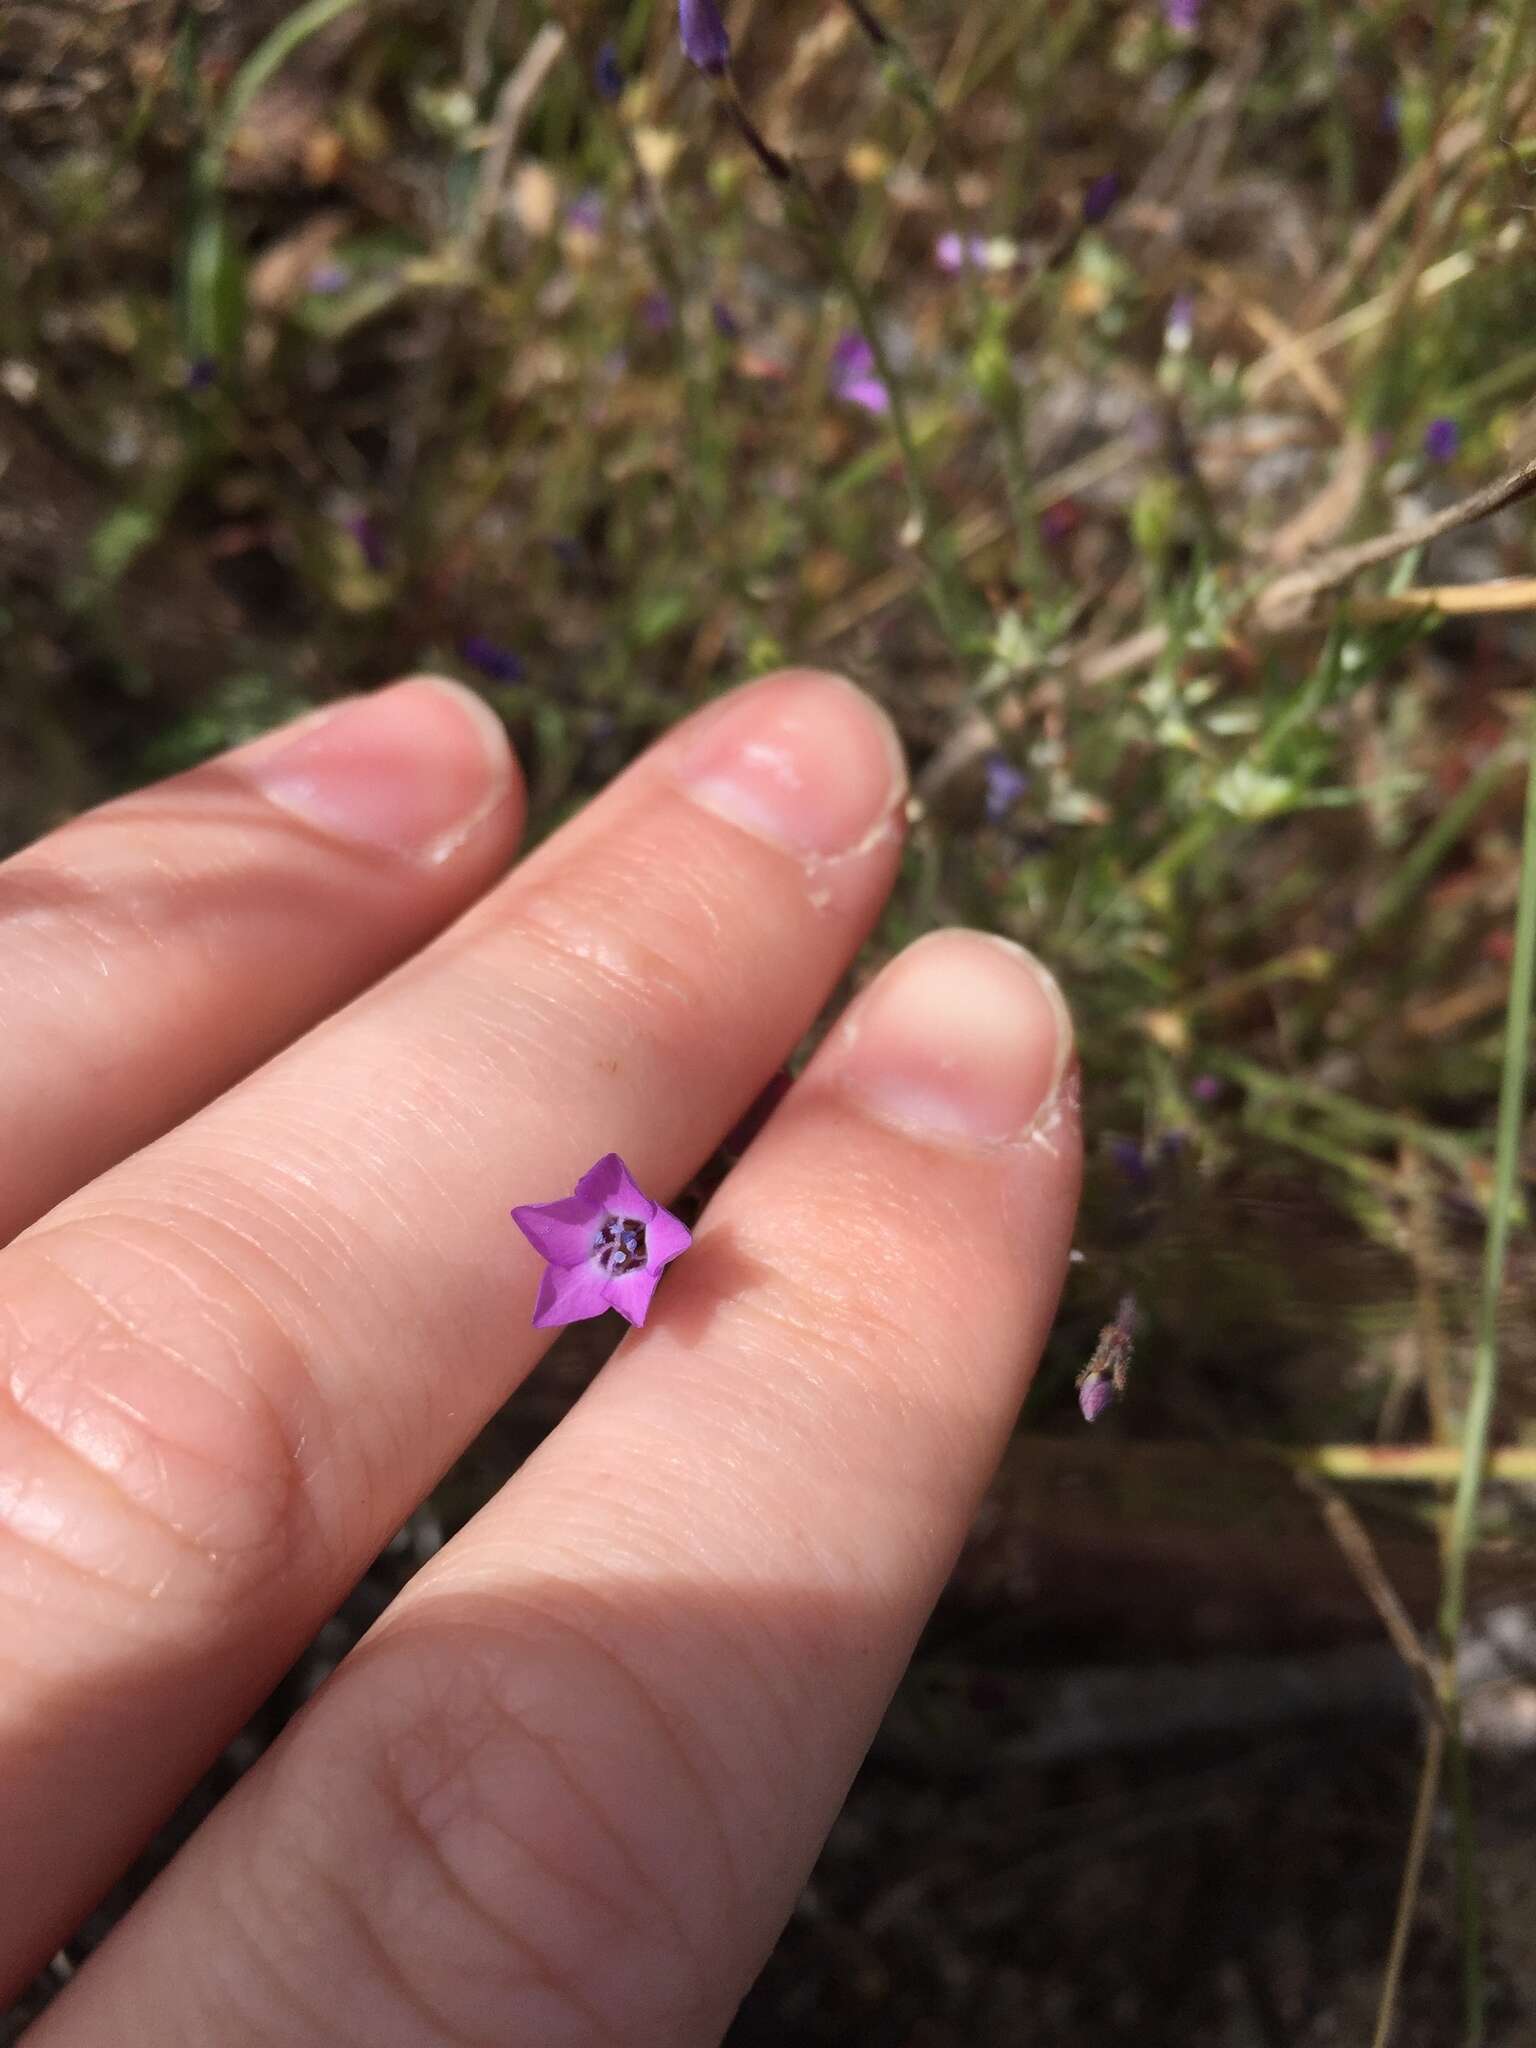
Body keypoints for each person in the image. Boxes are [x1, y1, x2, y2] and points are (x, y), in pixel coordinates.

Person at [0, 667, 1080, 2044]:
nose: (624, 1258)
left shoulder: (622, 1248)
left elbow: (618, 1250)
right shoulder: (605, 1252)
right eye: (619, 1255)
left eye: (629, 1252)